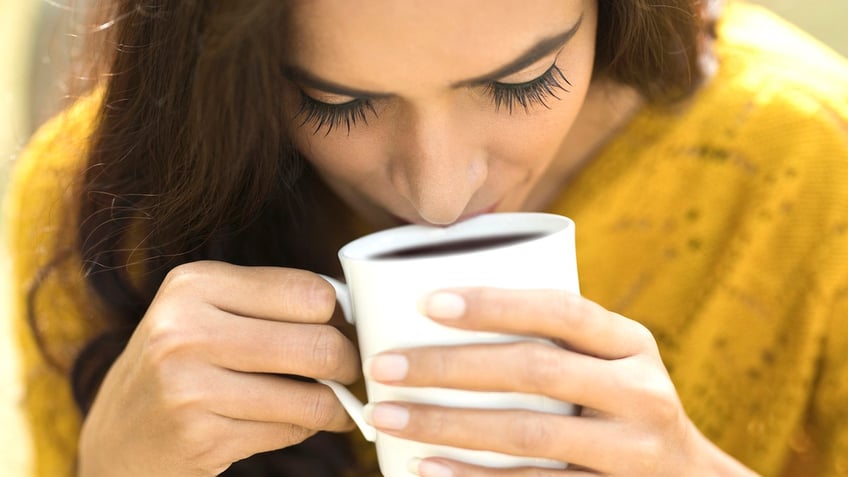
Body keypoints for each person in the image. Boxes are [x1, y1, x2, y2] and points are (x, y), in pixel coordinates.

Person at [4, 0, 847, 476]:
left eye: (523, 80)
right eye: (338, 103)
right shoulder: (111, 204)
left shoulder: (813, 162)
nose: (440, 196)